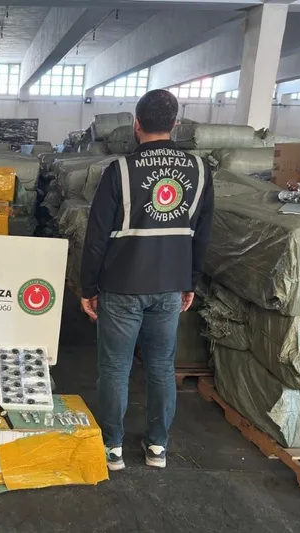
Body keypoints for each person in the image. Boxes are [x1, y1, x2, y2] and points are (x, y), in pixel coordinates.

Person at [79, 89, 214, 471]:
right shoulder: (199, 170)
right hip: (169, 284)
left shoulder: (120, 171)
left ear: (136, 125)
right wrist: (190, 281)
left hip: (122, 284)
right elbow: (202, 234)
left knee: (115, 368)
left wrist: (88, 287)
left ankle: (113, 448)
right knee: (161, 367)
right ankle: (157, 447)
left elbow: (96, 237)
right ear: (176, 124)